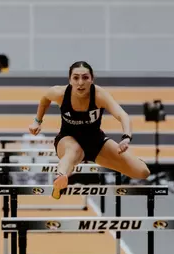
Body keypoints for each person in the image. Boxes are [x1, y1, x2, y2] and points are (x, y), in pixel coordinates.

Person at [29, 61, 150, 199]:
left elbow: (122, 115)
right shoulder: (60, 93)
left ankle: (128, 161)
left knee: (142, 172)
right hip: (67, 139)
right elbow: (45, 99)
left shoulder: (99, 95)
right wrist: (37, 121)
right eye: (76, 78)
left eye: (85, 77)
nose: (80, 83)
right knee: (73, 150)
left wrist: (126, 137)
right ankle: (60, 178)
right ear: (70, 80)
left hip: (96, 142)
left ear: (92, 79)